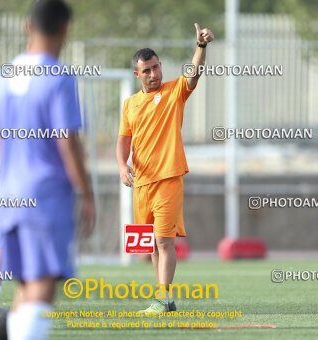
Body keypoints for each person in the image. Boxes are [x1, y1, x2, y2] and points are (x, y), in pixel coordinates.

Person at [0, 1, 95, 339]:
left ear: (28, 26)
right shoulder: (58, 76)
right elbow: (67, 142)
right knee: (42, 287)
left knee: (25, 285)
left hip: (8, 196)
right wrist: (86, 193)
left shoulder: (6, 73)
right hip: (43, 195)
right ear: (65, 29)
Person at [116, 23, 214, 313]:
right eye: (146, 70)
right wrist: (123, 166)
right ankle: (165, 299)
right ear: (137, 74)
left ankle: (161, 297)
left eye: (156, 67)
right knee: (148, 248)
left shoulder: (174, 92)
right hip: (141, 183)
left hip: (169, 178)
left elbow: (193, 73)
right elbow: (123, 140)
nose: (153, 74)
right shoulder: (130, 104)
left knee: (163, 240)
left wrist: (201, 46)